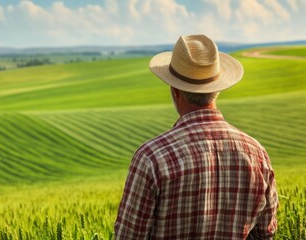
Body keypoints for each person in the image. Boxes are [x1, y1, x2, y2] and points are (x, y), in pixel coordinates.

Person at [114, 34, 278, 239]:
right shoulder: (257, 154)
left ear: (175, 91)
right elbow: (265, 234)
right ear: (216, 90)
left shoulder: (152, 157)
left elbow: (128, 236)